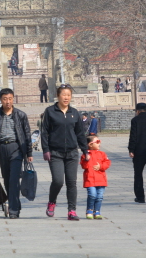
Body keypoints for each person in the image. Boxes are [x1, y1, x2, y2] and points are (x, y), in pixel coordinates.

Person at [0, 88, 32, 219]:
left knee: (14, 179)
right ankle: (15, 202)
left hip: (16, 148)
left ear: (13, 99)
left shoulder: (20, 115)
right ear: (0, 100)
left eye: (10, 99)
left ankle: (14, 209)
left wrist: (29, 153)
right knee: (7, 179)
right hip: (1, 149)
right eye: (5, 99)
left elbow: (27, 135)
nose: (8, 101)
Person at [41, 85, 88, 221]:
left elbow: (80, 133)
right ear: (58, 96)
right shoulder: (50, 111)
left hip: (72, 153)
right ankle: (52, 202)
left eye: (69, 95)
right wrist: (46, 150)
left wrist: (85, 150)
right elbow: (45, 132)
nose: (66, 97)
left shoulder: (74, 112)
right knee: (58, 181)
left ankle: (71, 210)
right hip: (55, 152)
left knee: (71, 182)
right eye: (64, 94)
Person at [81, 135, 111, 220]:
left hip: (101, 179)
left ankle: (97, 211)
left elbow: (107, 163)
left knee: (99, 196)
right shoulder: (85, 155)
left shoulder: (102, 154)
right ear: (90, 144)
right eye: (97, 142)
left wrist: (101, 166)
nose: (99, 143)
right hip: (90, 179)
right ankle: (89, 210)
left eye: (99, 141)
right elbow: (84, 166)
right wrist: (86, 159)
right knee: (92, 195)